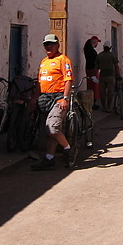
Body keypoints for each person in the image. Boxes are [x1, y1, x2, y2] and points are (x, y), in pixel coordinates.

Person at [31, 34, 74, 170]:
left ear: (57, 45)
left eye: (51, 44)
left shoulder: (63, 59)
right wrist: (34, 98)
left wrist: (65, 98)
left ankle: (68, 149)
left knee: (52, 127)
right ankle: (49, 158)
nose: (49, 46)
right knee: (49, 131)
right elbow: (39, 82)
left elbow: (68, 79)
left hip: (58, 98)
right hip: (45, 98)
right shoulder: (44, 61)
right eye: (46, 44)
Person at [95, 41, 121, 113]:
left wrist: (96, 76)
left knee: (102, 92)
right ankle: (109, 107)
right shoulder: (112, 55)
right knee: (110, 92)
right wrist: (118, 75)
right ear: (110, 47)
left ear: (103, 47)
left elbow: (96, 67)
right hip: (110, 76)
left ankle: (104, 107)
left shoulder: (99, 55)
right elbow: (116, 66)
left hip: (102, 75)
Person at [83, 36, 101, 110]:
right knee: (94, 86)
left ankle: (92, 101)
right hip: (93, 69)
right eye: (97, 42)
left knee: (91, 85)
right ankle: (93, 102)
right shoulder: (91, 51)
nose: (97, 44)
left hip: (89, 69)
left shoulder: (88, 49)